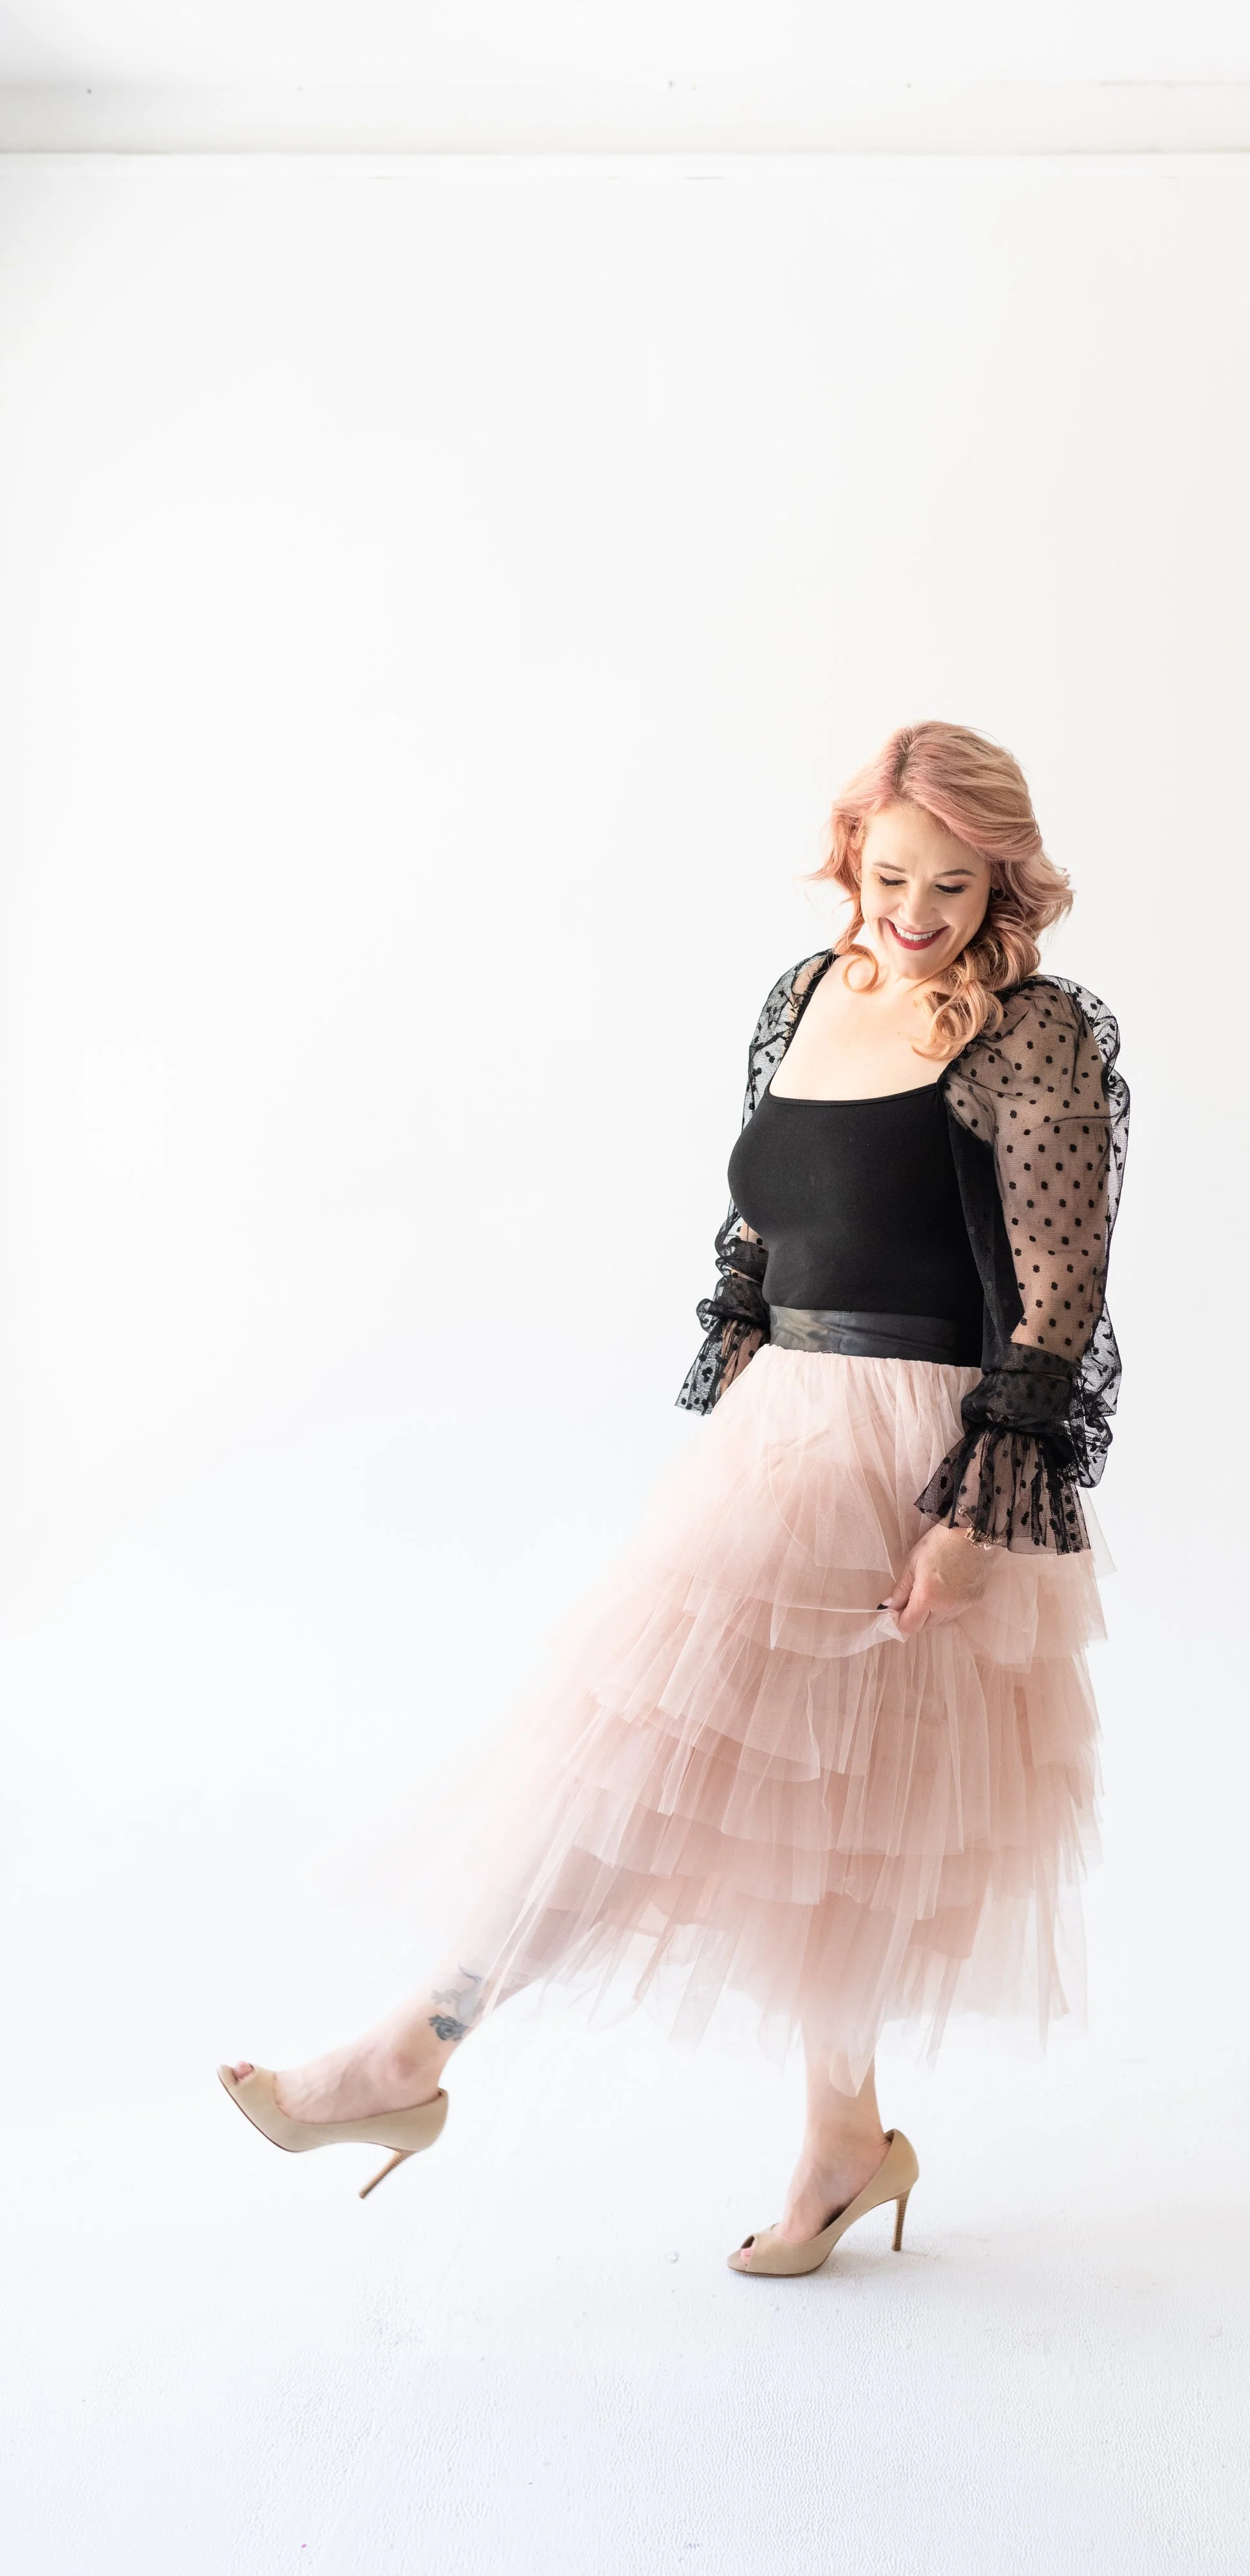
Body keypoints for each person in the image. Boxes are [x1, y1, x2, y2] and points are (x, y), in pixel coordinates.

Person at [219, 719, 1129, 2278]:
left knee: (701, 1779)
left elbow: (1058, 1298)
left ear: (1005, 880)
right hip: (784, 1431)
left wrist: (977, 1512)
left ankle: (410, 2054)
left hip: (921, 1451)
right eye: (887, 870)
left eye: (952, 884)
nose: (912, 910)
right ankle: (840, 2135)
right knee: (730, 1782)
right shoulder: (805, 993)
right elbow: (764, 1229)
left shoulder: (1033, 1032)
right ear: (851, 855)